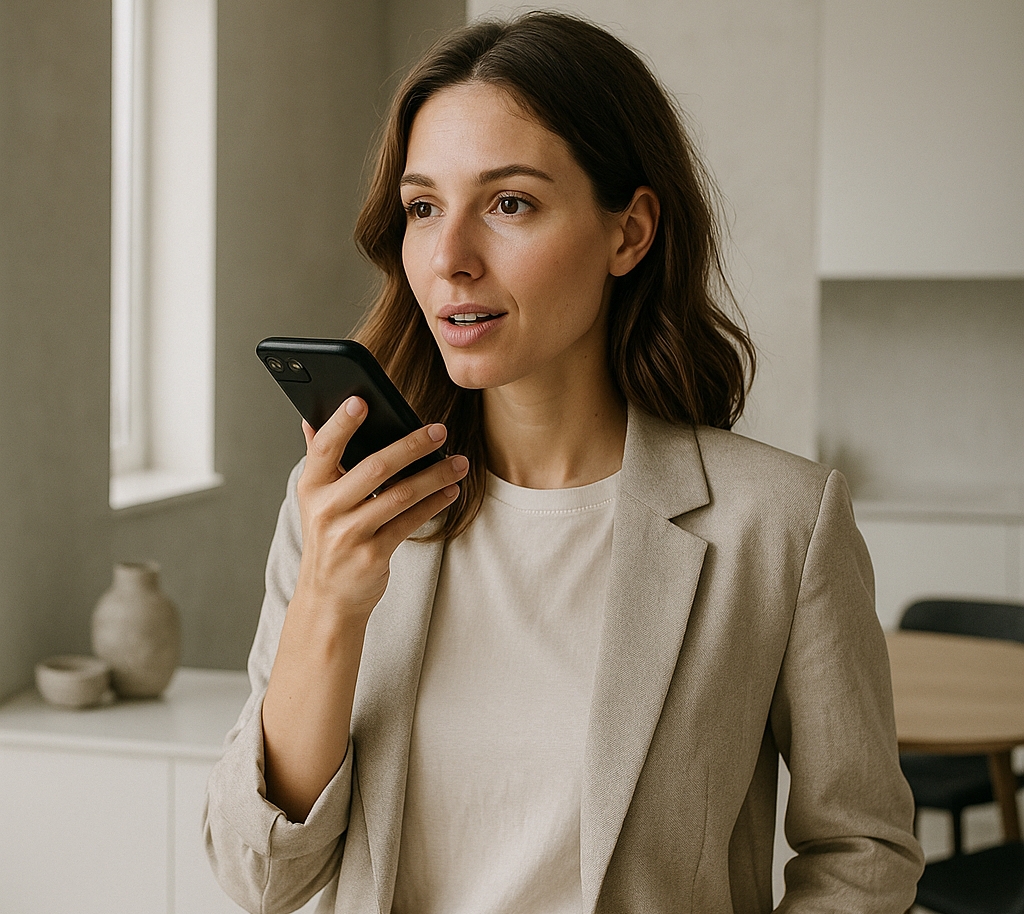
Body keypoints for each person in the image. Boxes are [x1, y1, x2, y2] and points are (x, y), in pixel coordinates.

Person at [204, 11, 924, 913]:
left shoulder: (778, 523)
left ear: (630, 233)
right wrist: (329, 606)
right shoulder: (346, 507)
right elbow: (259, 877)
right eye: (423, 208)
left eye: (509, 203)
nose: (451, 259)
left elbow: (862, 851)